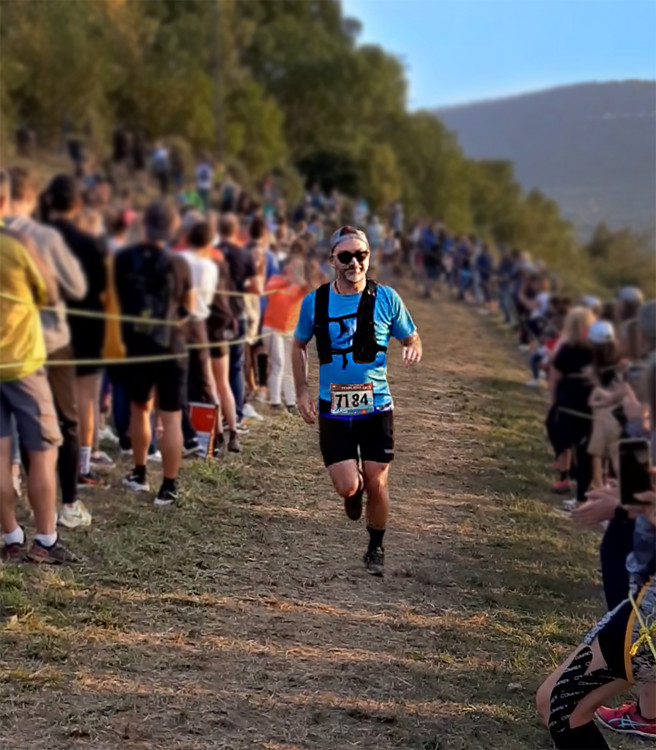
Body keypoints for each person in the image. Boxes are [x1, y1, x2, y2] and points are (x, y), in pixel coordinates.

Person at [292, 225, 422, 577]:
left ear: (369, 257)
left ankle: (375, 547)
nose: (354, 263)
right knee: (348, 485)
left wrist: (412, 347)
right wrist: (302, 390)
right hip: (334, 408)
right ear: (332, 259)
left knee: (378, 480)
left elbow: (411, 336)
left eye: (360, 255)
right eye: (346, 256)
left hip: (377, 406)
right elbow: (299, 344)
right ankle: (354, 492)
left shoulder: (386, 298)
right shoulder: (315, 301)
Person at [0, 169, 79, 563]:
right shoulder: (20, 242)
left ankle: (10, 536)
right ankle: (45, 541)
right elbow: (50, 293)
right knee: (44, 452)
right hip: (23, 364)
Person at [115, 201, 192, 506]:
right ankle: (169, 486)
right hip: (172, 347)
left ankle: (139, 472)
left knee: (140, 410)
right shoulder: (179, 264)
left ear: (144, 226)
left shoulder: (123, 259)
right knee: (171, 418)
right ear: (172, 230)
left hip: (137, 347)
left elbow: (117, 301)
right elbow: (187, 308)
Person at [47, 175, 108, 489]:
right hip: (84, 327)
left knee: (42, 399)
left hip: (45, 327)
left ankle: (34, 468)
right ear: (78, 205)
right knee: (84, 399)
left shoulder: (36, 238)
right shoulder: (88, 243)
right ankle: (82, 465)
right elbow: (101, 287)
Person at [218, 213, 261, 429]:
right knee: (236, 367)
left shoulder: (212, 253)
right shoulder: (243, 255)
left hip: (214, 316)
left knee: (215, 370)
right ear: (235, 231)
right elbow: (257, 288)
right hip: (237, 314)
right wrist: (240, 289)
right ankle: (235, 415)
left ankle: (215, 417)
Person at [262, 257, 308, 411]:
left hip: (290, 330)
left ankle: (290, 402)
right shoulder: (276, 281)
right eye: (291, 266)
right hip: (272, 328)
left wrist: (301, 283)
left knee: (289, 366)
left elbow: (310, 293)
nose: (293, 269)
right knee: (279, 363)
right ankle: (275, 401)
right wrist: (288, 281)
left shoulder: (301, 286)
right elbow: (269, 290)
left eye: (297, 267)